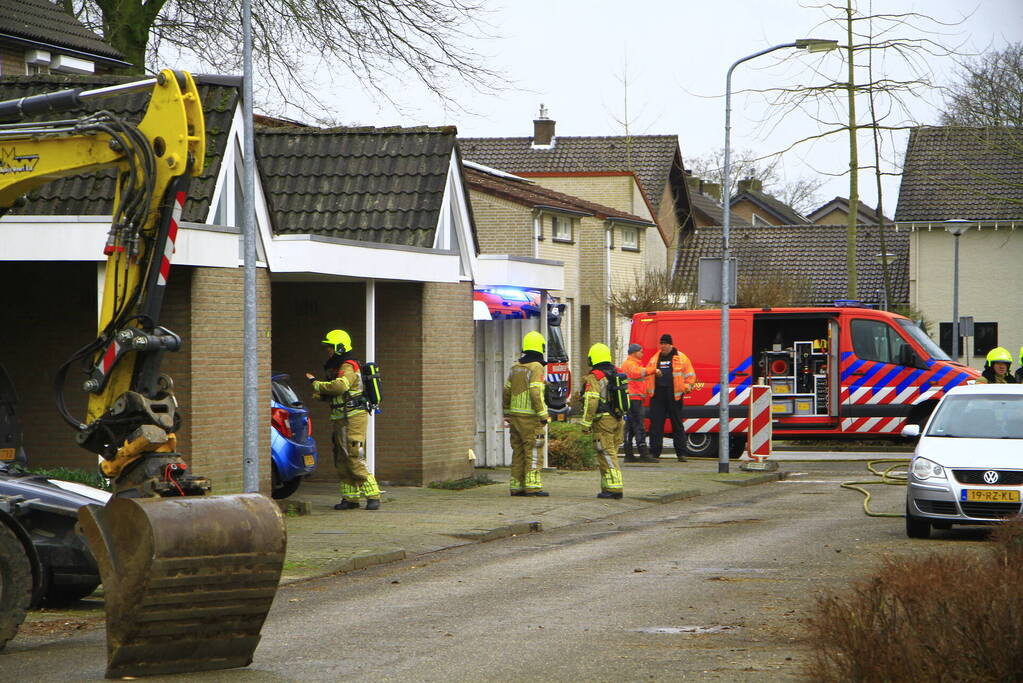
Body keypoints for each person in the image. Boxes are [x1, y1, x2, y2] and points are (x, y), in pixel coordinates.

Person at [306, 329, 382, 510]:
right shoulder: (337, 366)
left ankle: (373, 496)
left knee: (354, 454)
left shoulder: (348, 366)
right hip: (341, 417)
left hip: (354, 417)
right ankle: (350, 498)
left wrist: (316, 384)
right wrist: (323, 395)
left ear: (340, 347)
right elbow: (338, 393)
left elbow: (340, 386)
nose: (328, 350)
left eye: (330, 347)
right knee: (341, 458)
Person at [503, 331, 550, 497]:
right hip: (531, 418)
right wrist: (543, 415)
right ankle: (533, 487)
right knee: (534, 451)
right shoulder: (536, 367)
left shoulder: (515, 368)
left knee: (518, 452)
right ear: (540, 348)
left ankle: (516, 486)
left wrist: (507, 412)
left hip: (515, 418)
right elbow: (536, 392)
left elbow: (506, 391)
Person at [580, 343, 625, 499]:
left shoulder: (595, 377)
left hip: (603, 421)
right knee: (610, 453)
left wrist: (586, 423)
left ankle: (615, 488)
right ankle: (607, 487)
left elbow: (592, 401)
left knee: (606, 453)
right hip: (618, 419)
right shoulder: (617, 373)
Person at [645, 333, 696, 462]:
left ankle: (681, 454)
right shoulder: (654, 358)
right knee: (656, 426)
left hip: (674, 396)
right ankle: (654, 453)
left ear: (671, 345)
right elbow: (647, 374)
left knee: (677, 425)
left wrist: (686, 387)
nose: (662, 346)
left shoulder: (681, 358)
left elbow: (690, 375)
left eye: (665, 344)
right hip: (657, 396)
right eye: (661, 344)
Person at [620, 343, 656, 463]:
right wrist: (653, 370)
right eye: (641, 351)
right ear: (634, 352)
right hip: (634, 399)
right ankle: (643, 453)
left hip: (632, 399)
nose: (642, 353)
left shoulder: (629, 364)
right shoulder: (631, 364)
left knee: (630, 427)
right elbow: (637, 373)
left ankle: (628, 453)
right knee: (639, 426)